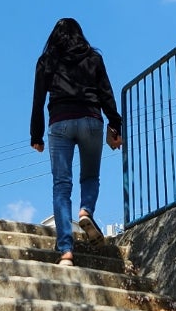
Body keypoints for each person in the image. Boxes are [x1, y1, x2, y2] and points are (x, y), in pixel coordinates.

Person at [31, 18, 122, 266]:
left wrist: (36, 136)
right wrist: (116, 126)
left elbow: (38, 101)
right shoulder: (93, 58)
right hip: (92, 120)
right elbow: (106, 95)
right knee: (90, 177)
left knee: (62, 185)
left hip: (60, 123)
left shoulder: (47, 61)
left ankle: (66, 252)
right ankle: (86, 212)